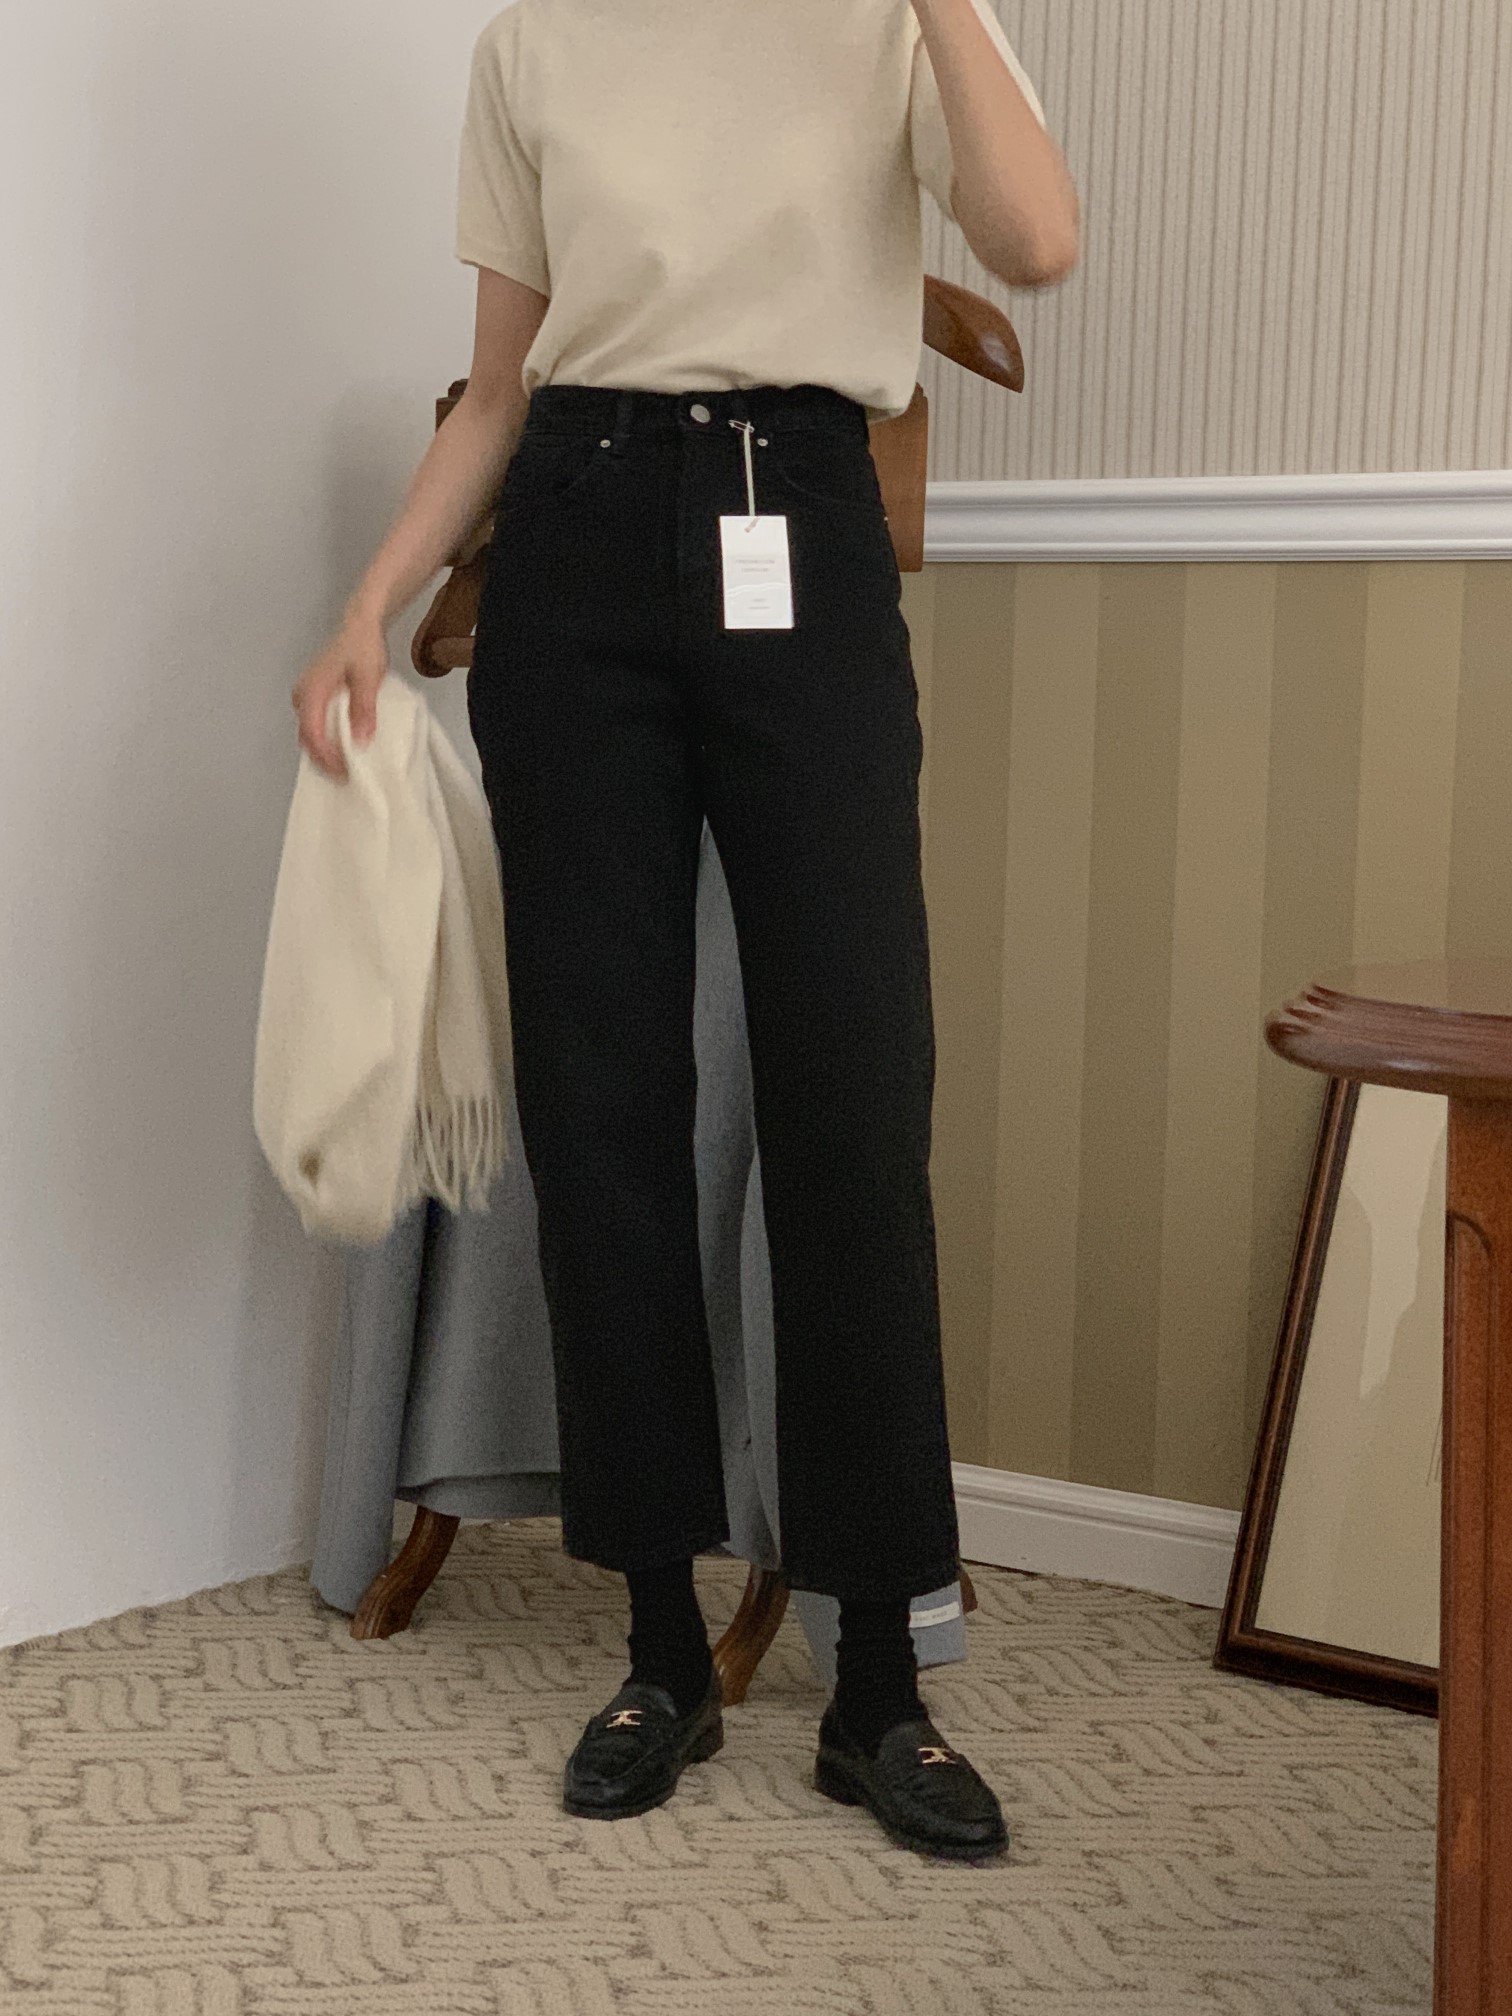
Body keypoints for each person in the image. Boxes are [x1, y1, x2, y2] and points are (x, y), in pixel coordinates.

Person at [293, 0, 1078, 1861]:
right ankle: (659, 1648)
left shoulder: (898, 25)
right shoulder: (534, 42)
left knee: (853, 1106)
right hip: (573, 547)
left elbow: (1039, 242)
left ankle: (876, 1684)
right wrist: (370, 606)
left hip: (800, 515)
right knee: (602, 1110)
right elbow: (500, 387)